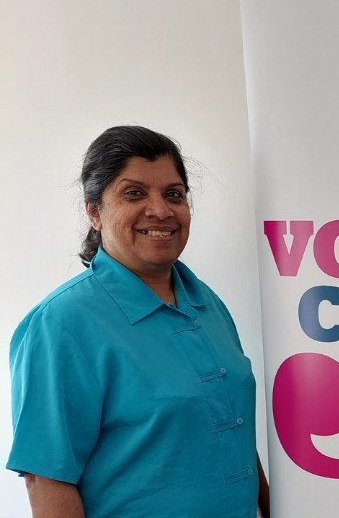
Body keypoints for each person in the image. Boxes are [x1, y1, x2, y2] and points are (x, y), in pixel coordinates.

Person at [7, 126, 270, 518]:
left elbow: (236, 432)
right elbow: (47, 479)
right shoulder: (61, 325)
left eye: (174, 195)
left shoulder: (207, 304)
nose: (161, 211)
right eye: (134, 193)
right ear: (94, 211)